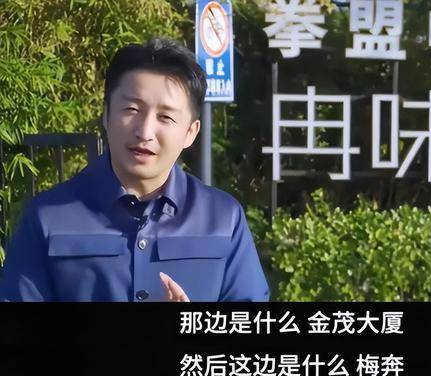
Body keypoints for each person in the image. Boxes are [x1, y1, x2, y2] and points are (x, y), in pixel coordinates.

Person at [0, 38, 269, 302]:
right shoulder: (48, 217)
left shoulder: (223, 219)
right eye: (131, 109)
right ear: (106, 114)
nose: (145, 132)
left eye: (166, 117)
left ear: (190, 132)